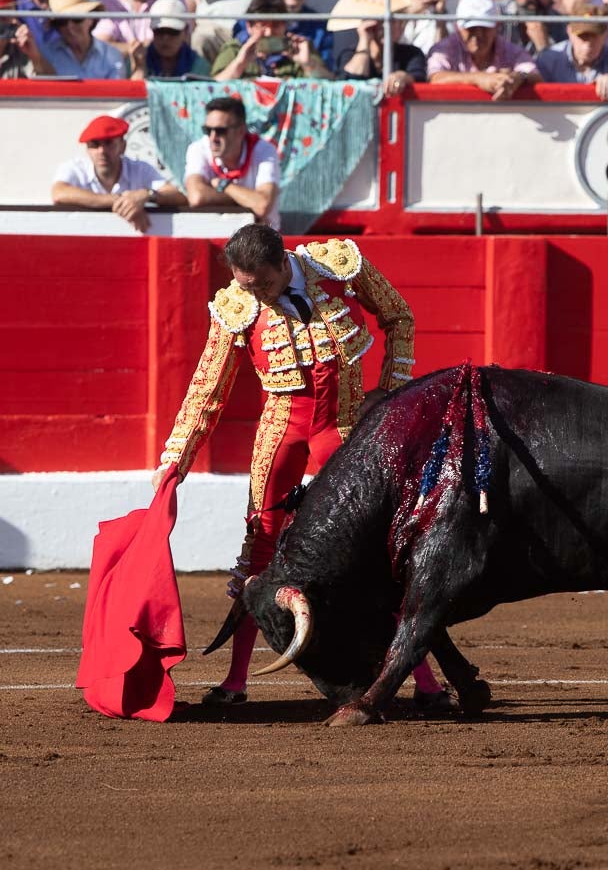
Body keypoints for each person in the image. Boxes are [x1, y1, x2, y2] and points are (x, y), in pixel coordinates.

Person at [152, 223, 457, 714]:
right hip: (281, 434)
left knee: (376, 555)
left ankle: (424, 682)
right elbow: (207, 389)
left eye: (261, 284)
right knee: (261, 550)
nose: (253, 295)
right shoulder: (238, 306)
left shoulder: (337, 266)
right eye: (243, 284)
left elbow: (399, 316)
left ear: (281, 263)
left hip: (346, 430)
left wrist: (393, 388)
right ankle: (235, 681)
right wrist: (175, 460)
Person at [51, 115, 188, 232]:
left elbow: (179, 196)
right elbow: (59, 193)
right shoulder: (75, 168)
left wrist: (146, 195)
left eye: (109, 143)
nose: (102, 151)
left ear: (123, 146)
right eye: (94, 144)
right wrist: (120, 200)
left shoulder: (140, 169)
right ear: (87, 150)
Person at [182, 95, 280, 228]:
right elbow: (197, 197)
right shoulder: (198, 148)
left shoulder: (265, 151)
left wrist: (224, 185)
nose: (212, 137)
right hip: (216, 233)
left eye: (220, 131)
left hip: (260, 240)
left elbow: (262, 205)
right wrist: (245, 199)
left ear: (241, 131)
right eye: (207, 130)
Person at [427, 0, 543, 100]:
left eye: (484, 28)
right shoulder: (444, 49)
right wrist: (479, 78)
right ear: (457, 27)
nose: (478, 34)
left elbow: (535, 75)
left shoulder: (512, 50)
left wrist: (517, 78)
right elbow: (435, 78)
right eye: (471, 28)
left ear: (497, 26)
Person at [211, 0, 331, 79]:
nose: (268, 32)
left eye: (276, 25)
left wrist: (308, 64)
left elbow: (329, 85)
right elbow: (213, 88)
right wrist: (240, 63)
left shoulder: (300, 48)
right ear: (249, 26)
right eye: (262, 25)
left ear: (285, 25)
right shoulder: (235, 49)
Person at [535, 3, 608, 99]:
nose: (588, 44)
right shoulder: (548, 59)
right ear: (569, 32)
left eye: (594, 36)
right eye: (582, 36)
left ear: (606, 34)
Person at [39, 0, 128, 78]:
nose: (70, 27)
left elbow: (117, 91)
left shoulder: (111, 56)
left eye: (77, 19)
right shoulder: (46, 56)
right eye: (62, 22)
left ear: (91, 18)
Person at [131, 0, 210, 77]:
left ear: (185, 31)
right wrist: (140, 68)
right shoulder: (135, 60)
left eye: (173, 31)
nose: (165, 37)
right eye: (160, 31)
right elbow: (133, 89)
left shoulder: (200, 65)